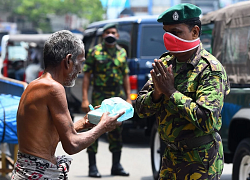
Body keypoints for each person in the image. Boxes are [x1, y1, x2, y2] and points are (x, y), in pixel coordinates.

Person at [11, 30, 124, 180]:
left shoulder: (35, 84)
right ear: (68, 60)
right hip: (36, 174)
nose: (80, 70)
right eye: (81, 62)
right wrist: (103, 126)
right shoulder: (53, 88)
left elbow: (48, 136)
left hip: (27, 171)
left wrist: (84, 123)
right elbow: (71, 145)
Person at [135, 3, 230, 180]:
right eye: (166, 32)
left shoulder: (210, 70)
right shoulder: (165, 63)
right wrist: (157, 93)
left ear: (194, 32)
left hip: (201, 159)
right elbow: (140, 109)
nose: (169, 38)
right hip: (170, 156)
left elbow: (208, 120)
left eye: (176, 32)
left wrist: (171, 92)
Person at [81, 23, 131, 177]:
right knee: (94, 129)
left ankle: (116, 166)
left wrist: (129, 96)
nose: (110, 34)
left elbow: (125, 75)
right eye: (107, 32)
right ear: (103, 35)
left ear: (117, 35)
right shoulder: (94, 52)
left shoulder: (122, 52)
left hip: (117, 98)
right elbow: (87, 76)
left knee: (117, 130)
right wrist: (84, 98)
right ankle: (92, 167)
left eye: (113, 32)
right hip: (99, 97)